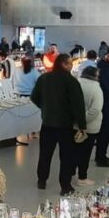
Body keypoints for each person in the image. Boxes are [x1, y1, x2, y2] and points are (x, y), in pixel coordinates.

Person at [30, 54, 86, 195]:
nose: (71, 66)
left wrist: (45, 107)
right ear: (63, 64)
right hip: (66, 126)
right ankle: (65, 186)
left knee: (45, 154)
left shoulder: (44, 78)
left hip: (47, 123)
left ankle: (41, 180)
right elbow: (78, 105)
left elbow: (34, 97)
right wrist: (81, 124)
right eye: (69, 63)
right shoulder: (71, 81)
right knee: (66, 157)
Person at [74, 65, 104, 186]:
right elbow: (95, 110)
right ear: (96, 76)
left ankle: (69, 173)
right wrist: (83, 122)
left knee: (72, 151)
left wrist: (76, 120)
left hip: (73, 125)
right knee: (85, 153)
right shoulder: (96, 89)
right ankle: (82, 177)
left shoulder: (75, 84)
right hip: (90, 127)